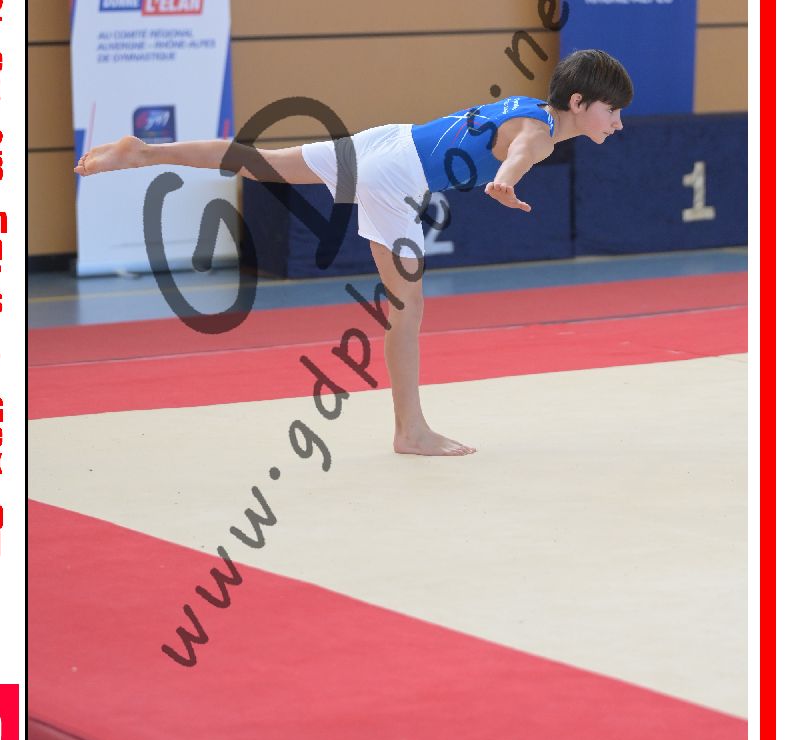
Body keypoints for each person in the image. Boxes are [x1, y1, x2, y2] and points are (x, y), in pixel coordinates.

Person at [75, 48, 633, 457]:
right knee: (407, 308)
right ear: (578, 102)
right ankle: (411, 431)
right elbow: (521, 152)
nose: (618, 123)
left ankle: (146, 152)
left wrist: (506, 174)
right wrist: (505, 182)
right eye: (611, 111)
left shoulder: (532, 105)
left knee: (263, 162)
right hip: (398, 176)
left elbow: (511, 142)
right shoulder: (541, 133)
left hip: (389, 140)